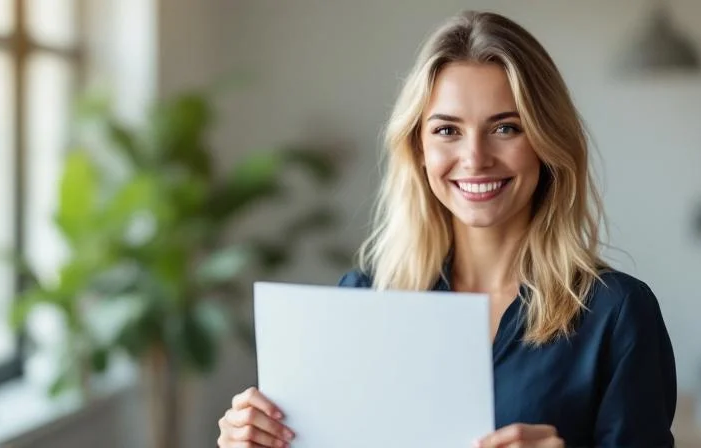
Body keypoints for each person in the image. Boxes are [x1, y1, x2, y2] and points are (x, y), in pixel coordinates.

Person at [217, 10, 676, 448]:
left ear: (545, 141)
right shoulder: (363, 301)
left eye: (505, 128)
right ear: (418, 147)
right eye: (447, 130)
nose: (475, 158)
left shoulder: (617, 314)